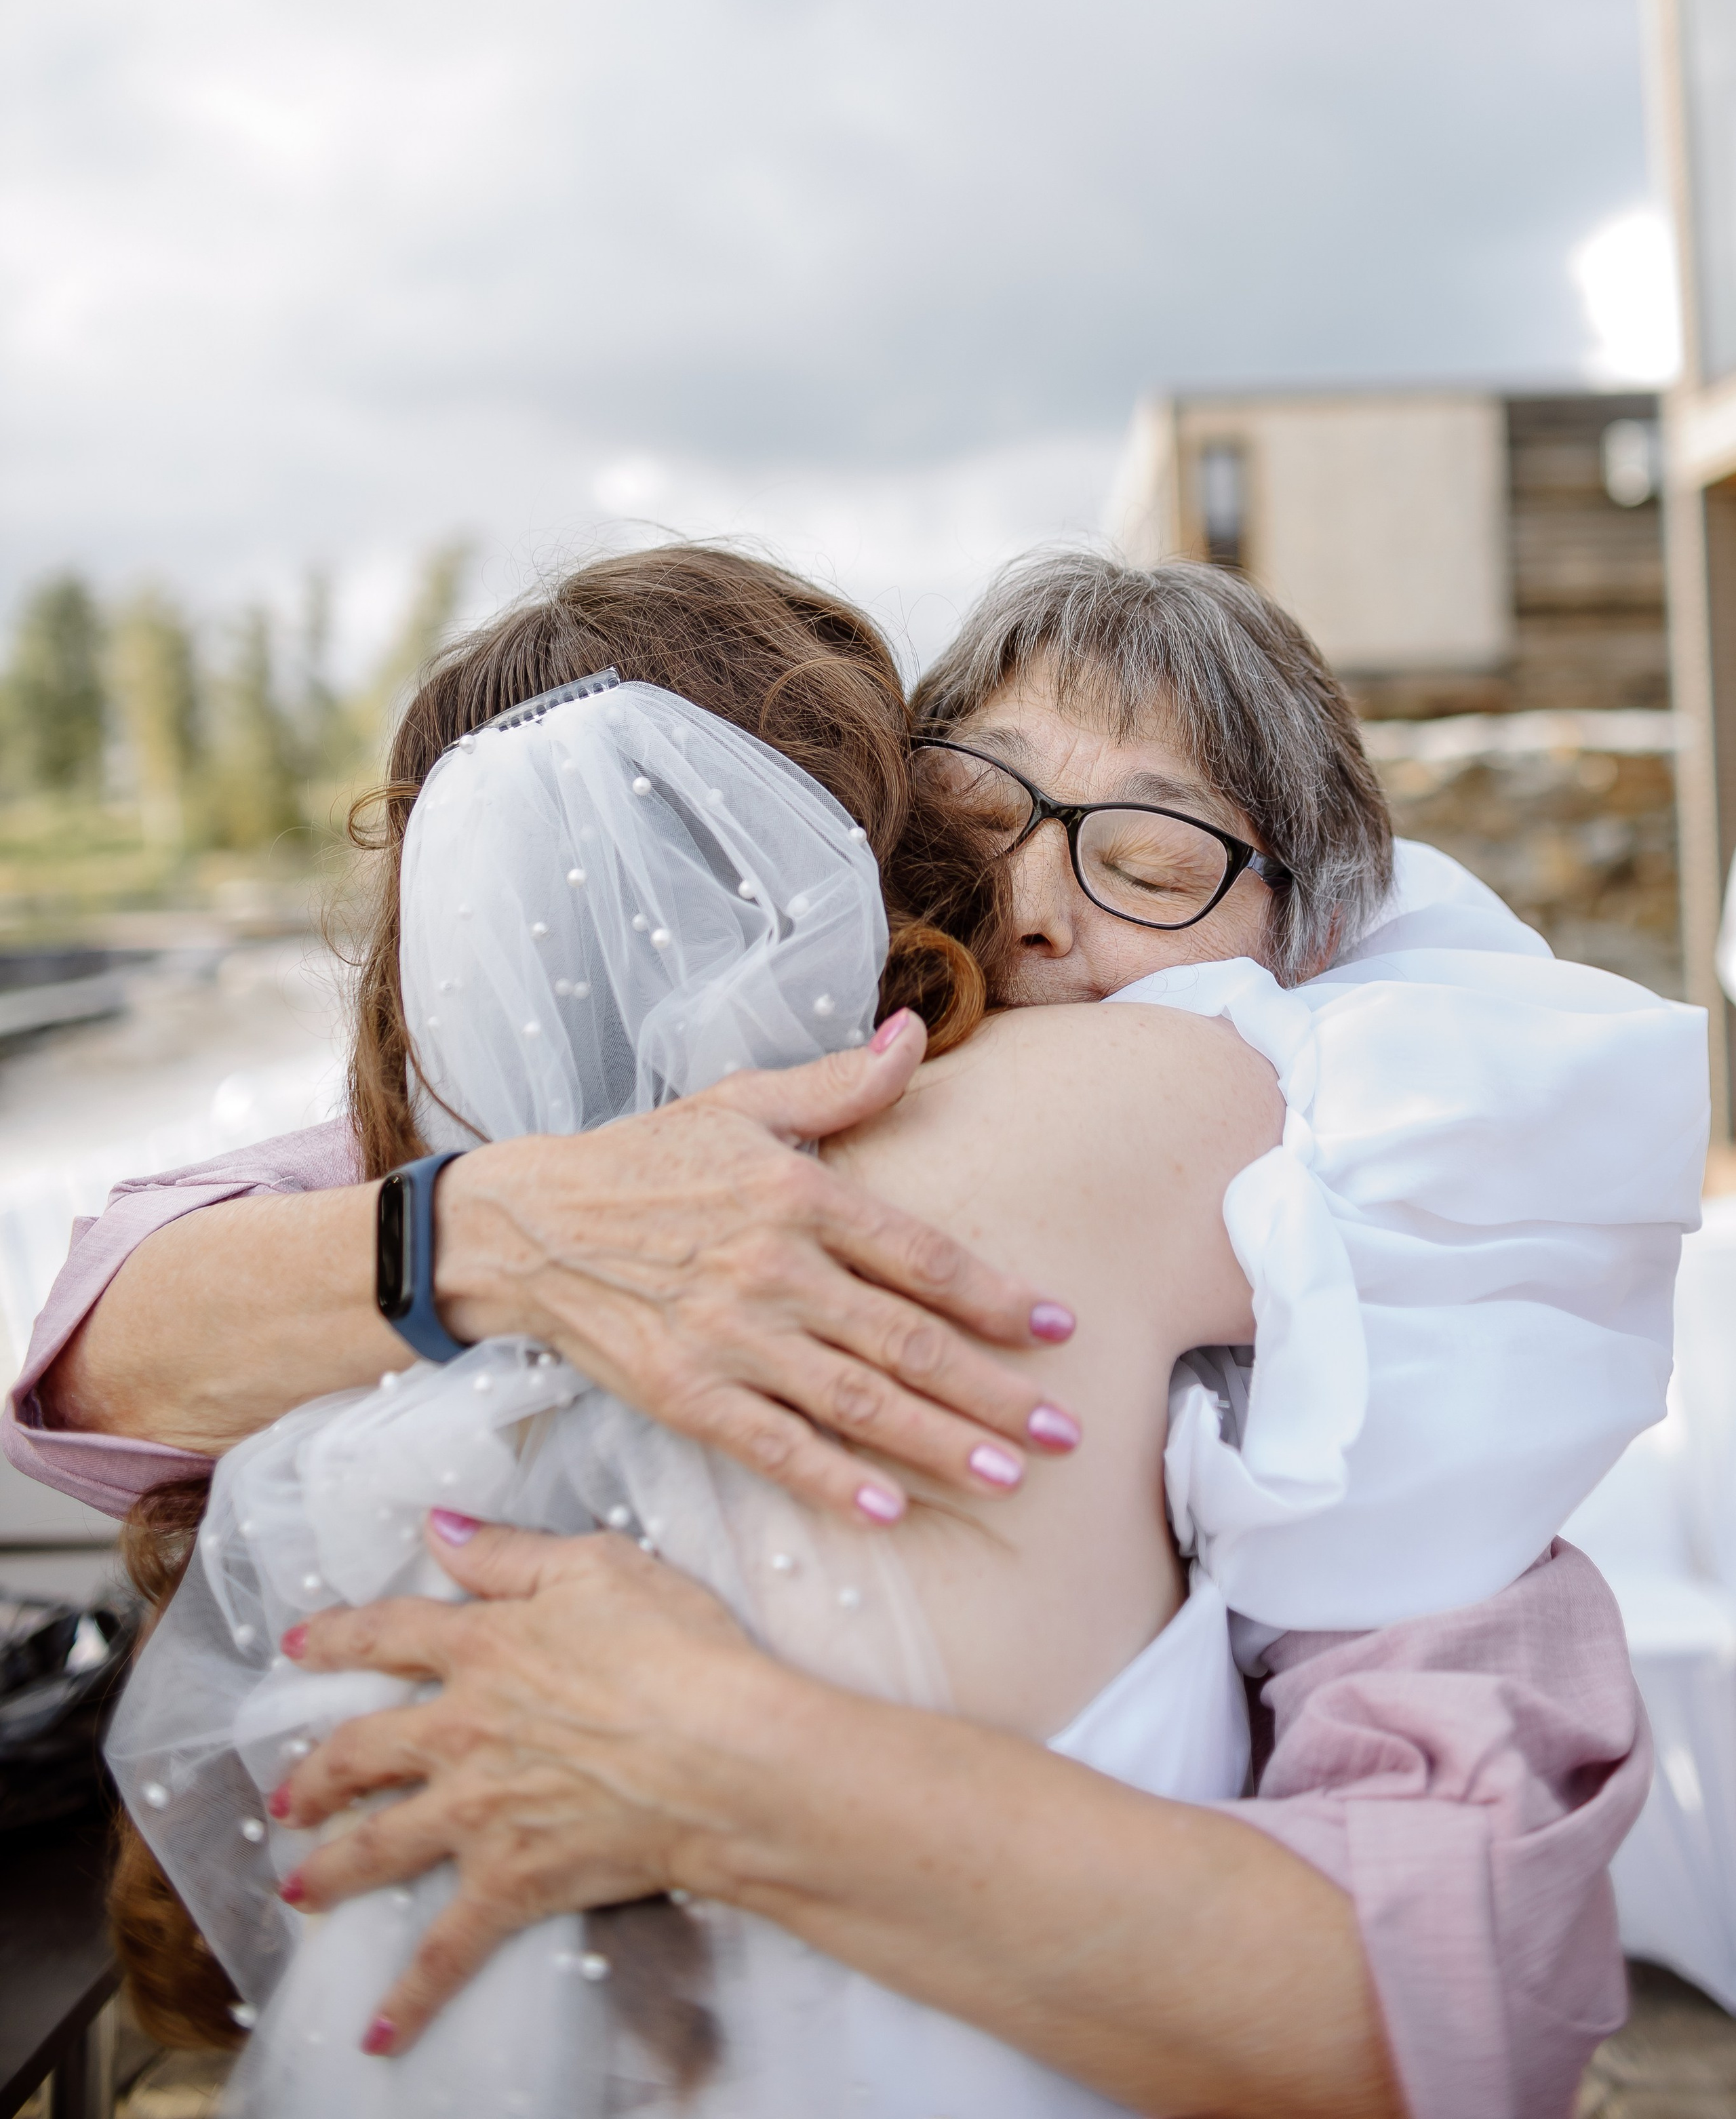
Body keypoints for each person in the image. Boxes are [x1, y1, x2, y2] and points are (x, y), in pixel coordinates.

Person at [3, 547, 1705, 2116]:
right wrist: (508, 1233)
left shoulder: (1386, 1352)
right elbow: (87, 1365)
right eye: (981, 810)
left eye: (1152, 857)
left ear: (1306, 944)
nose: (1040, 903)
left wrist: (724, 1765)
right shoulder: (675, 1113)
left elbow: (1455, 2006)